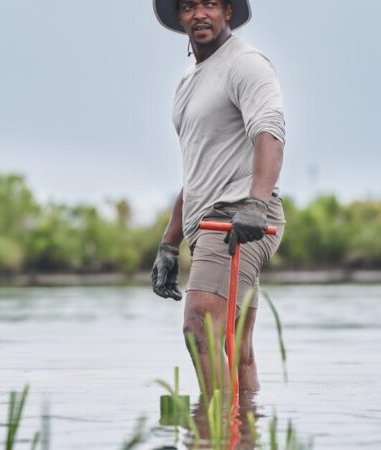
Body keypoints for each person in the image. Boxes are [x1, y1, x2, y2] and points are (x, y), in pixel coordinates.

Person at [151, 0, 286, 392]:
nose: (199, 14)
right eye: (189, 6)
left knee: (199, 327)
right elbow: (196, 170)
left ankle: (210, 432)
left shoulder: (246, 64)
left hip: (238, 216)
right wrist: (169, 244)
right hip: (211, 219)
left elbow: (270, 133)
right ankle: (244, 434)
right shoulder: (188, 82)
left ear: (228, 11)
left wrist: (256, 203)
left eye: (210, 3)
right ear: (180, 17)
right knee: (236, 346)